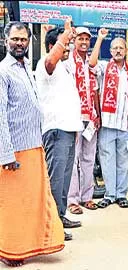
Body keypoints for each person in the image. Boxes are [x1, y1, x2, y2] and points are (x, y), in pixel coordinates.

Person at [0, 21, 64, 267]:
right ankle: (8, 249)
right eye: (15, 39)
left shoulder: (26, 66)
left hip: (33, 144)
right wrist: (6, 154)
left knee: (32, 201)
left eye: (23, 39)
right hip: (14, 150)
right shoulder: (3, 71)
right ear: (6, 41)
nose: (19, 43)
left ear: (29, 41)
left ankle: (26, 245)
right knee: (12, 203)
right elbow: (1, 116)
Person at [35, 20, 84, 241]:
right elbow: (51, 59)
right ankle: (52, 226)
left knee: (64, 178)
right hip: (56, 132)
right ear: (52, 46)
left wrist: (69, 37)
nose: (68, 49)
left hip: (68, 130)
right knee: (56, 180)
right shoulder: (45, 64)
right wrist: (64, 36)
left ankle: (60, 216)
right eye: (63, 45)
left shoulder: (65, 67)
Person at [89, 29, 128, 209]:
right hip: (107, 122)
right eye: (114, 48)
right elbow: (91, 63)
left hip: (125, 123)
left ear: (126, 51)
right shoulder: (103, 67)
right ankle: (109, 194)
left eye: (121, 48)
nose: (117, 51)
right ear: (110, 52)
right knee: (107, 159)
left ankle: (121, 194)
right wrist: (100, 38)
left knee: (123, 160)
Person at [67, 26, 101, 214]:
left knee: (89, 157)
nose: (84, 42)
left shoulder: (91, 62)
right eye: (80, 38)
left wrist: (98, 114)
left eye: (87, 39)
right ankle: (72, 200)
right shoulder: (69, 62)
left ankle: (87, 196)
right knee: (74, 160)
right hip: (74, 116)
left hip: (91, 117)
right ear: (74, 40)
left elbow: (95, 90)